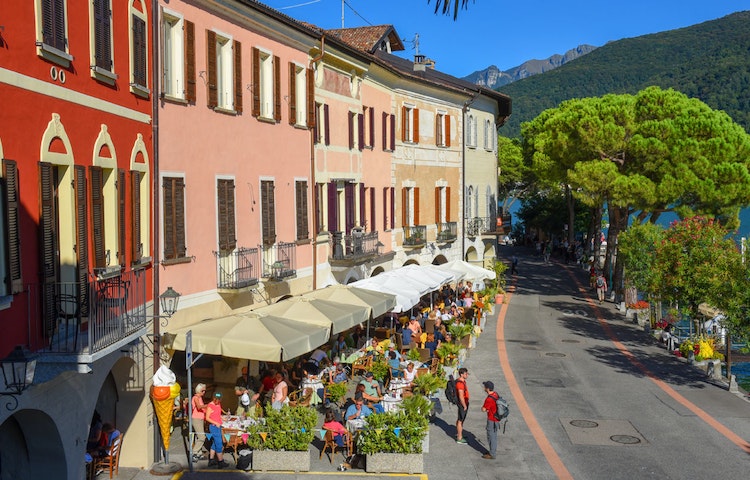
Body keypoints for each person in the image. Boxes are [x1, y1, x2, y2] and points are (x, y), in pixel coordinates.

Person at [205, 392, 228, 468]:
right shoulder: (210, 406)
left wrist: (222, 418)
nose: (217, 401)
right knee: (219, 444)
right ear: (214, 398)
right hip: (214, 426)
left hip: (219, 425)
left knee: (215, 443)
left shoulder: (218, 404)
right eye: (216, 399)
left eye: (219, 399)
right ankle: (220, 461)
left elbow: (217, 414)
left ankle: (211, 460)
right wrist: (216, 422)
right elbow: (207, 418)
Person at [481, 381, 500, 459]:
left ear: (488, 389)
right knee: (494, 436)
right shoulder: (495, 394)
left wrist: (482, 408)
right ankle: (492, 451)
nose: (484, 388)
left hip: (491, 419)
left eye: (485, 387)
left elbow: (484, 409)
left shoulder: (489, 399)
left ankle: (492, 454)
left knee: (491, 436)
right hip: (497, 419)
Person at [190, 383, 208, 461]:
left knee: (198, 436)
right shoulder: (196, 398)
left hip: (200, 418)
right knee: (202, 437)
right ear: (198, 390)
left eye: (205, 391)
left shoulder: (200, 398)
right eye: (202, 391)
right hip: (196, 419)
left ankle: (198, 453)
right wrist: (208, 405)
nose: (204, 392)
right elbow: (199, 407)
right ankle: (194, 452)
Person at [455, 367, 470, 444]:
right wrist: (464, 405)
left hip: (464, 403)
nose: (467, 375)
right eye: (466, 374)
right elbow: (461, 396)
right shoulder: (460, 384)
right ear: (461, 374)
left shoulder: (462, 381)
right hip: (462, 404)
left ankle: (459, 433)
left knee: (460, 419)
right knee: (460, 420)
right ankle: (459, 438)